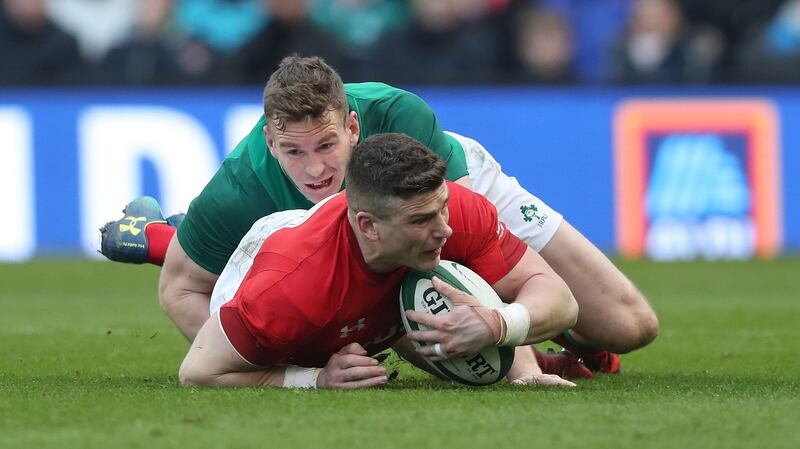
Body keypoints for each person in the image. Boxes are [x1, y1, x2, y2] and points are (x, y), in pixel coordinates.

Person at [100, 56, 658, 378]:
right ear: (270, 144)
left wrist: (518, 357)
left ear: (354, 129)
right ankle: (172, 240)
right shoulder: (237, 192)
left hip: (446, 196)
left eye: (327, 146)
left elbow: (453, 250)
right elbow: (181, 292)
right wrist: (294, 368)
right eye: (294, 152)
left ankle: (160, 235)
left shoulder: (400, 117)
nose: (317, 171)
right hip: (336, 243)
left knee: (628, 327)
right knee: (331, 313)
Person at [179, 133, 578, 389]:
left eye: (442, 209)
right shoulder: (286, 291)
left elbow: (561, 300)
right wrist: (315, 378)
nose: (445, 229)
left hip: (366, 270)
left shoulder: (455, 212)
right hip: (271, 257)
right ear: (369, 226)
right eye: (422, 220)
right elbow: (199, 371)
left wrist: (499, 323)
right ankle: (160, 238)